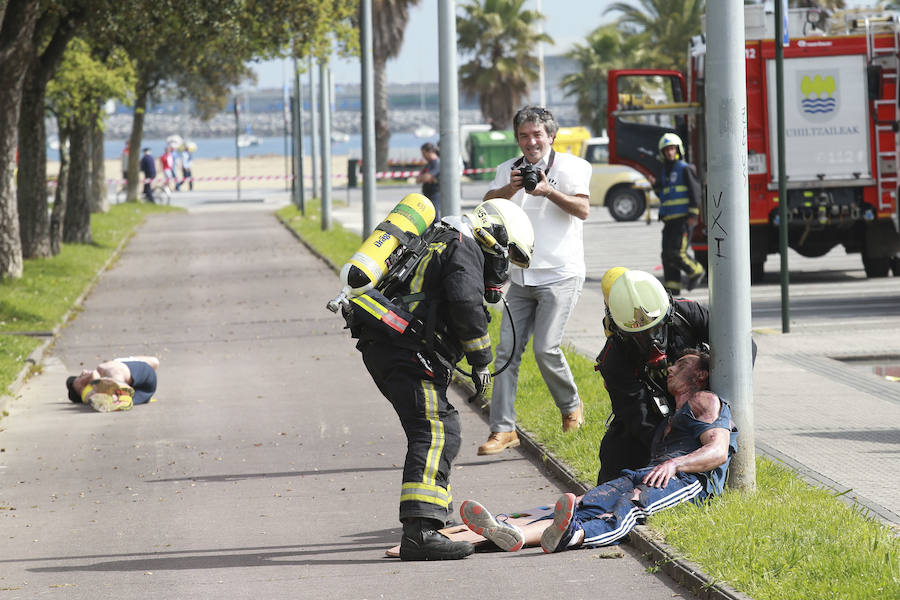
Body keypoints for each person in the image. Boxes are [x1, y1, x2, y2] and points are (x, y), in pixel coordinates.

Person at [342, 197, 535, 561]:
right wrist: (481, 361)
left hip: (389, 344)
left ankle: (435, 518)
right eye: (506, 255)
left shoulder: (444, 239)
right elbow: (465, 304)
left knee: (435, 428)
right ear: (494, 236)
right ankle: (421, 533)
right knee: (435, 431)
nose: (503, 266)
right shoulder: (465, 249)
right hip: (405, 349)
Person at [459, 348, 738, 554]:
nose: (671, 369)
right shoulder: (671, 412)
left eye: (681, 365)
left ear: (701, 374)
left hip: (685, 481)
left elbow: (718, 451)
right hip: (646, 473)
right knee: (582, 503)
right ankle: (515, 532)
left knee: (628, 507)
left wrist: (676, 465)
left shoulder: (705, 400)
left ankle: (577, 535)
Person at [477, 105, 592, 456]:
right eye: (524, 136)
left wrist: (548, 191)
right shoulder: (507, 170)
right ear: (517, 139)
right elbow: (486, 207)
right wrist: (508, 191)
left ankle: (571, 407)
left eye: (537, 135)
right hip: (520, 276)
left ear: (551, 136)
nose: (531, 142)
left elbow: (583, 210)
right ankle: (503, 430)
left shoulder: (574, 167)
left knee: (546, 348)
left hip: (561, 273)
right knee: (505, 354)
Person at [594, 269, 710, 484]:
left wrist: (722, 402)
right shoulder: (615, 359)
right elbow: (639, 419)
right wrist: (674, 453)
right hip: (651, 420)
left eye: (657, 328)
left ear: (668, 312)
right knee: (618, 454)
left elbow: (741, 347)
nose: (652, 340)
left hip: (700, 408)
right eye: (638, 334)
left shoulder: (688, 314)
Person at [654, 133, 704, 294]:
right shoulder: (663, 172)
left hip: (683, 220)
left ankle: (696, 271)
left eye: (672, 149)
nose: (670, 152)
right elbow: (664, 195)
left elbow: (696, 194)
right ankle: (672, 289)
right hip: (669, 221)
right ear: (662, 152)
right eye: (667, 149)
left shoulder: (685, 169)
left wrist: (693, 216)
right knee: (667, 256)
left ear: (678, 150)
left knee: (677, 253)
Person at [66, 356, 160, 412]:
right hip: (142, 393)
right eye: (82, 381)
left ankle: (117, 390)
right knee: (104, 369)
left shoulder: (111, 365)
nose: (83, 372)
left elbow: (154, 362)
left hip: (142, 376)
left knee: (106, 367)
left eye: (80, 376)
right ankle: (117, 391)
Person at [416, 142, 440, 218]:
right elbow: (420, 178)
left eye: (423, 153)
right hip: (428, 194)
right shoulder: (429, 164)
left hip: (435, 194)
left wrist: (423, 178)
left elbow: (427, 177)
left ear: (429, 152)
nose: (423, 156)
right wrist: (422, 178)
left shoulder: (436, 163)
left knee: (434, 217)